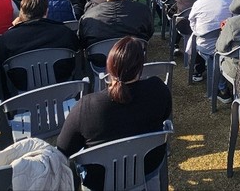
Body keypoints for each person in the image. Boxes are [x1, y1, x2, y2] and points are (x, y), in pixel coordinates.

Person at [57, 36, 172, 191]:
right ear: (140, 66)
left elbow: (63, 149)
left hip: (99, 180)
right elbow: (165, 115)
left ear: (109, 67)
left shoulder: (86, 106)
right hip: (148, 168)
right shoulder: (158, 89)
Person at [0, 0, 78, 64]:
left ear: (21, 13)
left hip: (22, 81)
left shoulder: (8, 37)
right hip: (62, 78)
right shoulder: (64, 31)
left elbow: (0, 57)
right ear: (46, 12)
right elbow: (76, 48)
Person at [79, 0, 153, 47]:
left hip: (100, 58)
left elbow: (82, 40)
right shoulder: (143, 10)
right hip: (133, 55)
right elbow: (149, 33)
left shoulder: (90, 14)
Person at [188, 0, 234, 83]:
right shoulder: (230, 2)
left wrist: (200, 32)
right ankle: (221, 86)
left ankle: (219, 85)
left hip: (205, 44)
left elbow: (192, 23)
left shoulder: (199, 3)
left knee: (195, 39)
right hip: (227, 46)